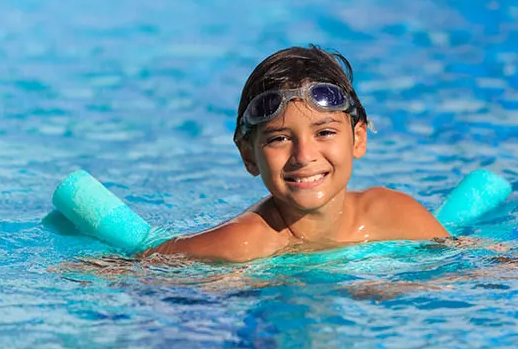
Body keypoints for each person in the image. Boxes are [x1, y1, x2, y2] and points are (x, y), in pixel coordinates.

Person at [145, 45, 449, 262]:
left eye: (325, 133)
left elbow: (472, 267)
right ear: (248, 156)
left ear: (358, 139)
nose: (304, 155)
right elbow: (134, 271)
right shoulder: (243, 245)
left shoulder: (393, 214)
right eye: (279, 138)